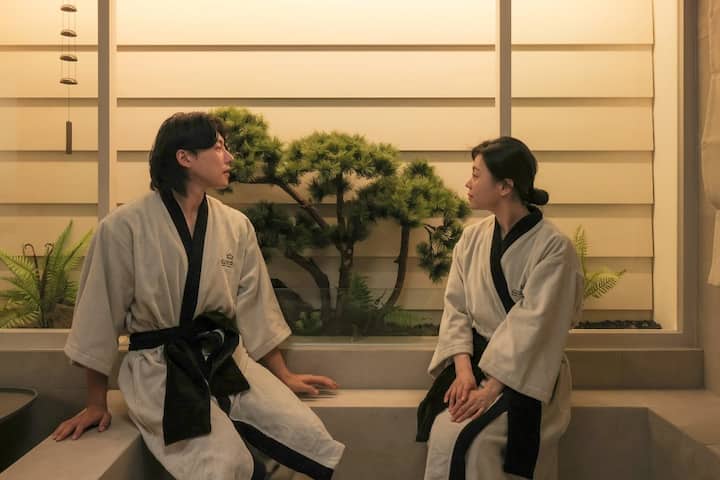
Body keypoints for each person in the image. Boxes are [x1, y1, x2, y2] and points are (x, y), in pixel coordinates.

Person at [52, 112, 345, 479]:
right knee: (222, 463)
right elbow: (99, 314)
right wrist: (96, 402)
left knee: (306, 434)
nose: (230, 157)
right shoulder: (123, 227)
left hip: (223, 358)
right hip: (161, 368)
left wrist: (283, 374)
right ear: (185, 157)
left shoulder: (235, 225)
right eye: (219, 147)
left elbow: (256, 306)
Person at [417, 136, 583, 480]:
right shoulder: (471, 238)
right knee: (444, 433)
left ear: (505, 186)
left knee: (476, 443)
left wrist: (490, 389)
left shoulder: (554, 249)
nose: (468, 183)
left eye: (476, 175)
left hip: (527, 373)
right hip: (477, 365)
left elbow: (535, 327)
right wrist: (463, 372)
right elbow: (456, 309)